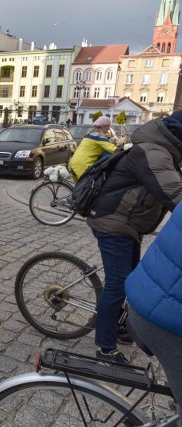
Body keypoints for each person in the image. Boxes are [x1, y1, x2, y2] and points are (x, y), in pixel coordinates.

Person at [86, 110, 182, 363]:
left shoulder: (166, 150)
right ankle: (105, 348)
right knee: (118, 284)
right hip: (114, 222)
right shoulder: (154, 152)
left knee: (131, 279)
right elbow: (175, 195)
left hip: (129, 224)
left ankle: (116, 324)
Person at [126, 202, 182, 404]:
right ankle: (105, 345)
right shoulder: (152, 167)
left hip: (152, 290)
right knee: (114, 286)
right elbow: (166, 188)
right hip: (115, 223)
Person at [69, 116, 119, 181]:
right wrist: (125, 151)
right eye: (108, 126)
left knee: (80, 187)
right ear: (103, 126)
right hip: (84, 164)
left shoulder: (91, 135)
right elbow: (113, 149)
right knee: (89, 186)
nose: (109, 128)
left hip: (75, 162)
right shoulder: (98, 137)